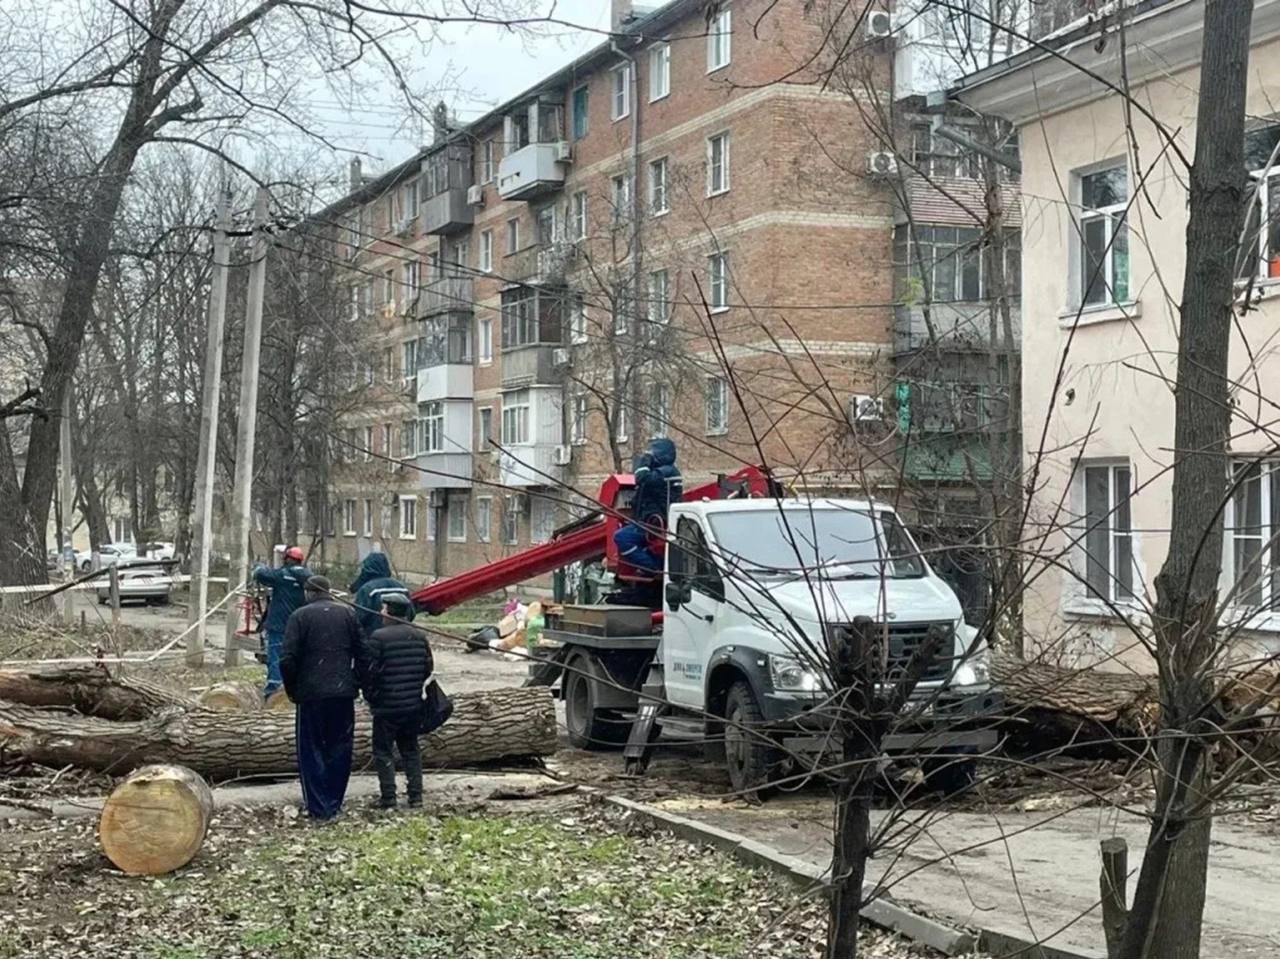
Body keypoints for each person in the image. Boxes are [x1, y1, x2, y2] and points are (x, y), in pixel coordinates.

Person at [281, 575, 362, 821]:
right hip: (342, 693)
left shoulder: (300, 617)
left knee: (311, 749)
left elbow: (287, 659)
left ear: (308, 593)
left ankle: (319, 807)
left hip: (311, 694)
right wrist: (355, 681)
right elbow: (364, 652)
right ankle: (335, 802)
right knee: (340, 747)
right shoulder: (348, 615)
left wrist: (292, 688)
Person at [361, 593, 432, 809]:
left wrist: (371, 696)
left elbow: (369, 672)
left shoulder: (378, 638)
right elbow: (427, 667)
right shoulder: (419, 636)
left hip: (386, 707)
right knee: (410, 750)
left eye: (383, 609)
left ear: (390, 613)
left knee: (383, 751)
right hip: (412, 705)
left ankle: (389, 797)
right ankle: (415, 796)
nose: (381, 613)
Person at [613, 437, 683, 573]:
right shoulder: (665, 471)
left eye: (652, 452)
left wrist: (644, 460)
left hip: (655, 524)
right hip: (652, 521)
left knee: (622, 537)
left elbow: (641, 478)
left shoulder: (667, 472)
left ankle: (653, 567)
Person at [252, 546, 313, 698]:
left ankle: (275, 690)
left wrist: (258, 567)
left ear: (287, 559)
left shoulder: (281, 575)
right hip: (299, 625)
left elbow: (262, 575)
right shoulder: (309, 577)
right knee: (297, 656)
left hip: (279, 624)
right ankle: (296, 686)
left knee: (276, 655)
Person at [348, 551, 412, 638]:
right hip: (401, 638)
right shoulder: (402, 587)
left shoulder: (367, 589)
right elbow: (411, 612)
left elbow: (357, 617)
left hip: (374, 638)